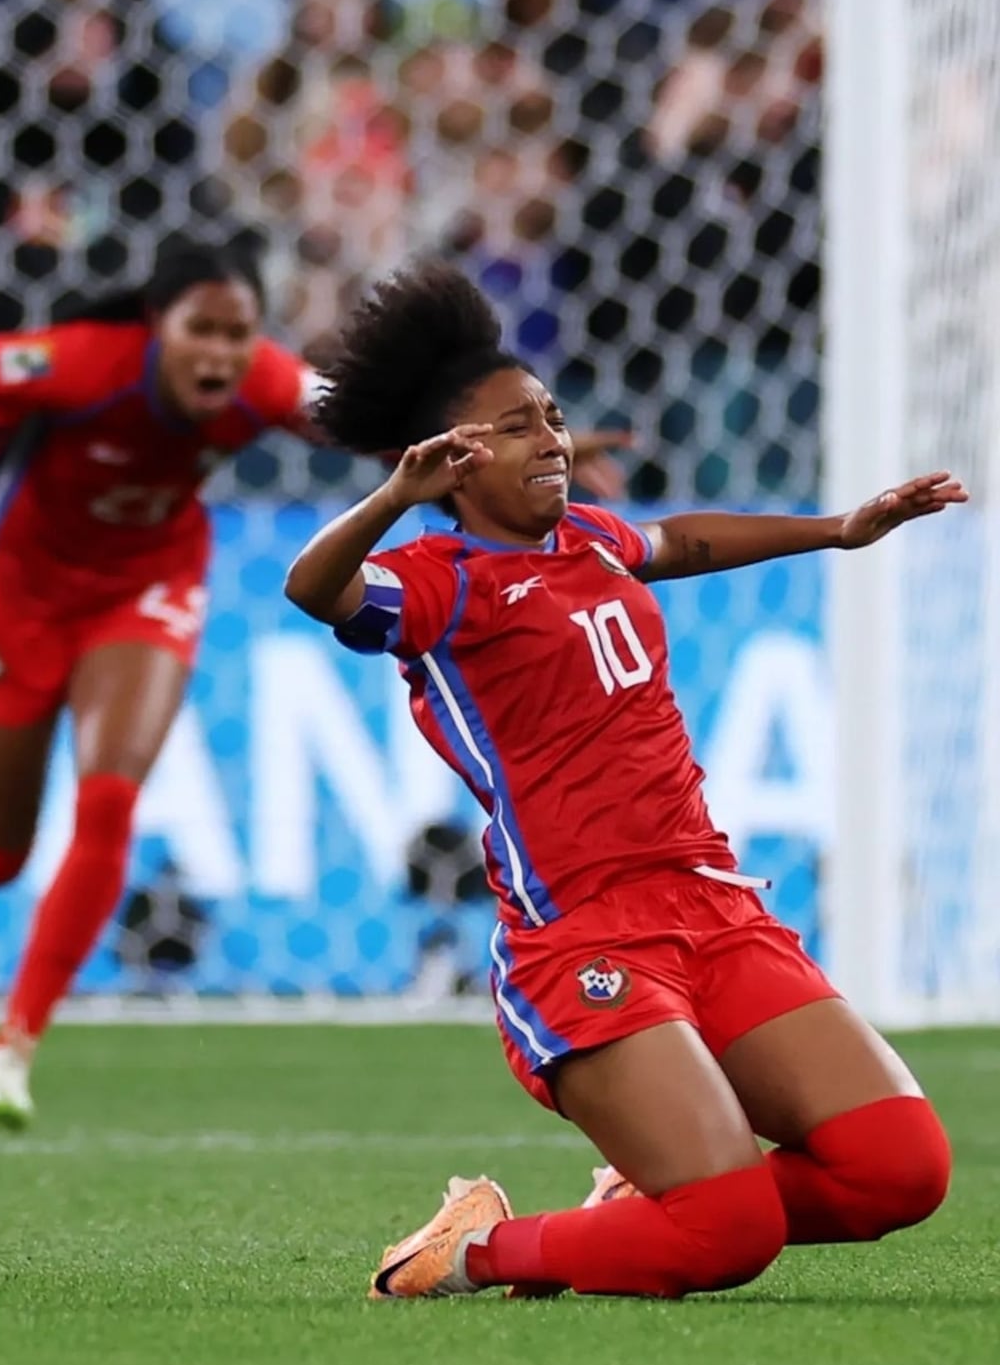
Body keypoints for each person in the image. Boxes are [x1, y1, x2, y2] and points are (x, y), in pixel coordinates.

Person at [284, 261, 963, 1302]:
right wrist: (392, 500)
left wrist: (839, 528)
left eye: (552, 417)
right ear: (453, 461)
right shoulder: (437, 586)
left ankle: (644, 1209)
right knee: (728, 1236)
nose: (552, 440)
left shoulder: (591, 541)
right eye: (516, 427)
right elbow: (315, 589)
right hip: (584, 935)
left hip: (712, 906)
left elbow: (678, 539)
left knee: (900, 1170)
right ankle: (469, 1251)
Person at [0, 239, 322, 1128]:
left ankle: (12, 1049)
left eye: (239, 334)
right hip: (22, 599)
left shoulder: (269, 383)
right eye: (200, 330)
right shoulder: (78, 364)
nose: (221, 353)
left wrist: (524, 444)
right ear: (155, 327)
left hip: (146, 588)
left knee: (109, 800)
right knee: (2, 848)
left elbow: (388, 424)